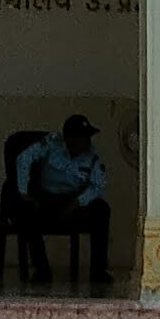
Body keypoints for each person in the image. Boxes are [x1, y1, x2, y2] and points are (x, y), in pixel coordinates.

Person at [16, 113, 112, 290]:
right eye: (82, 137)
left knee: (101, 209)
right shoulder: (51, 144)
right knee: (26, 211)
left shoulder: (92, 157)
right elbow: (24, 158)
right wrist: (23, 192)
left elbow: (97, 187)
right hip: (47, 199)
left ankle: (99, 272)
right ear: (69, 139)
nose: (87, 141)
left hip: (75, 203)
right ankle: (42, 270)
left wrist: (77, 202)